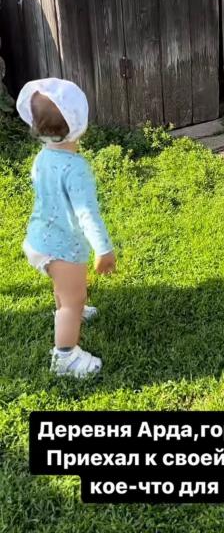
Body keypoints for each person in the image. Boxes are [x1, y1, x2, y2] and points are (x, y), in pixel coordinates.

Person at [17, 78, 116, 377]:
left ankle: (67, 311)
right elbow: (87, 214)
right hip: (62, 248)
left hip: (38, 241)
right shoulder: (76, 168)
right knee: (74, 300)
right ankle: (65, 357)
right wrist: (104, 249)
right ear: (79, 123)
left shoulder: (42, 158)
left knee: (63, 289)